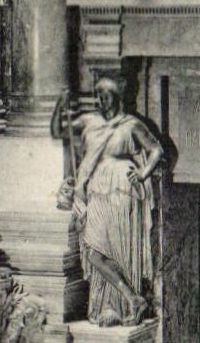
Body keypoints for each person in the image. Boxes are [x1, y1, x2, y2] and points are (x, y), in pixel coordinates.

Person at [67, 76, 164, 326]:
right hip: (97, 187)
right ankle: (129, 298)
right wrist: (61, 106)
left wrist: (143, 173)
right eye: (98, 95)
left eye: (106, 94)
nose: (101, 99)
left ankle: (119, 308)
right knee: (93, 250)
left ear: (117, 96)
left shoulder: (131, 124)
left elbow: (156, 150)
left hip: (122, 188)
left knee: (118, 248)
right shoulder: (93, 124)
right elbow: (63, 131)